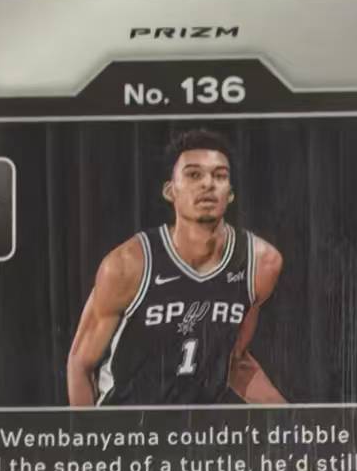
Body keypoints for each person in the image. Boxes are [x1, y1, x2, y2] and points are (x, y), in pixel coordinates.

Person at [67, 129, 284, 406]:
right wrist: (91, 434)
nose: (208, 184)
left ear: (230, 194)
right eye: (193, 175)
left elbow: (236, 362)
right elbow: (80, 364)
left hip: (195, 427)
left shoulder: (261, 263)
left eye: (219, 176)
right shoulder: (128, 265)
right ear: (170, 191)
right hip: (127, 422)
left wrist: (291, 419)